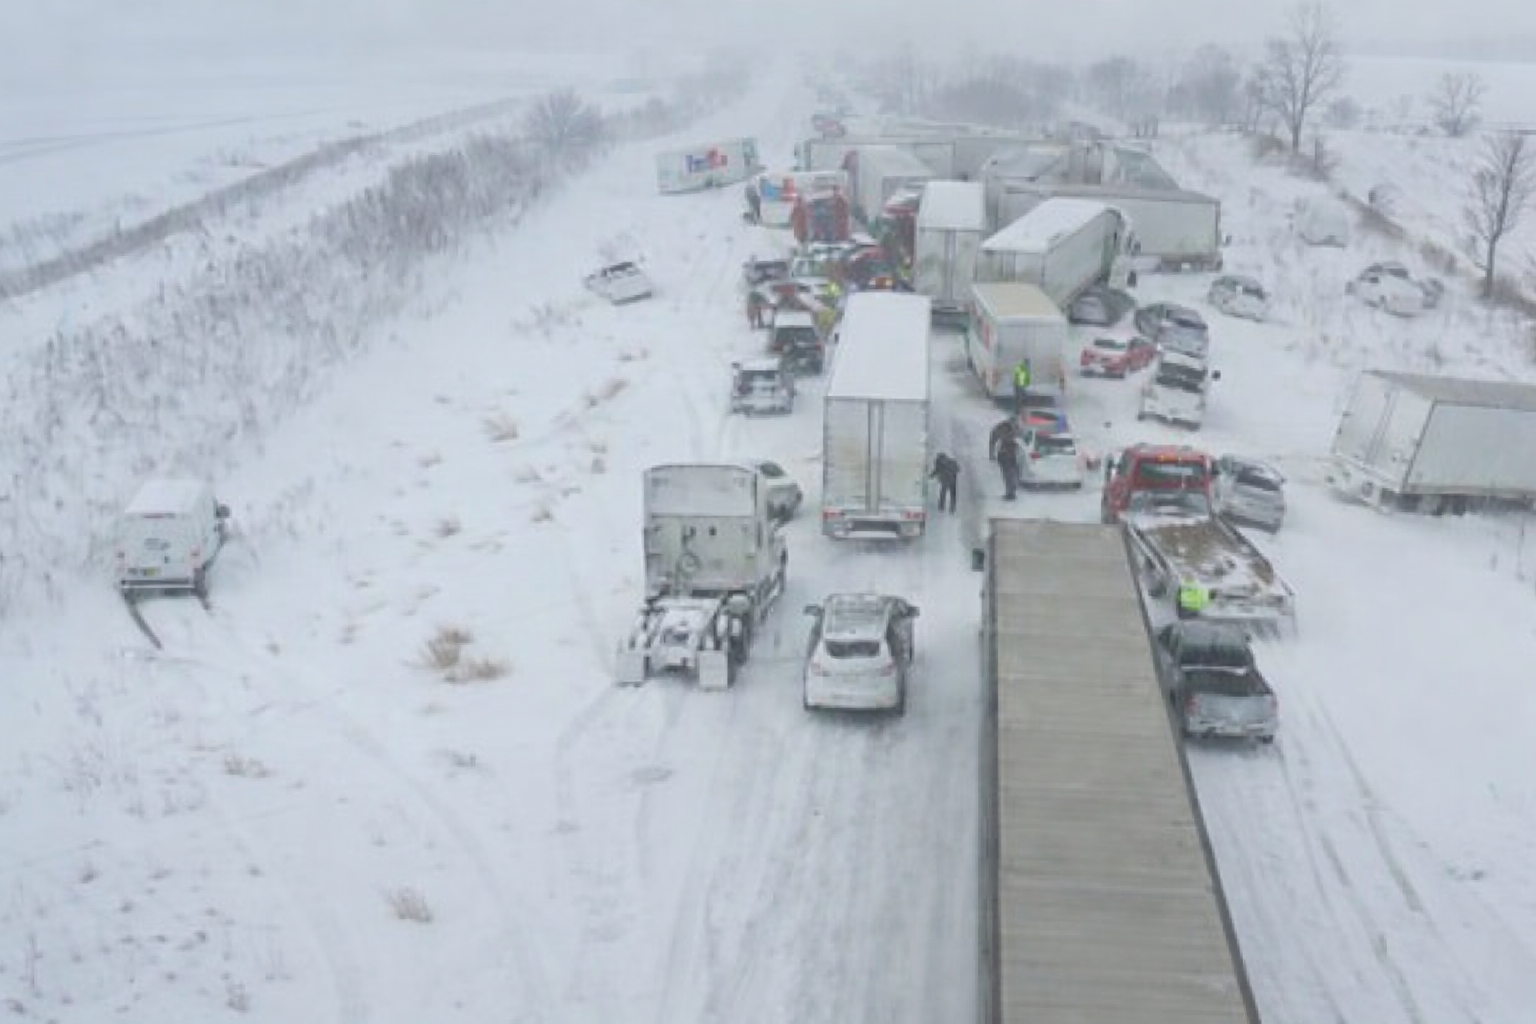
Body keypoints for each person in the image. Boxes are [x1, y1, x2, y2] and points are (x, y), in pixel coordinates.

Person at [994, 427, 1021, 501]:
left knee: (1009, 476)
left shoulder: (1008, 440)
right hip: (1008, 460)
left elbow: (1003, 450)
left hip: (1008, 460)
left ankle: (1010, 493)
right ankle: (1010, 492)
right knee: (1009, 476)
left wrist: (1002, 455)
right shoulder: (1010, 440)